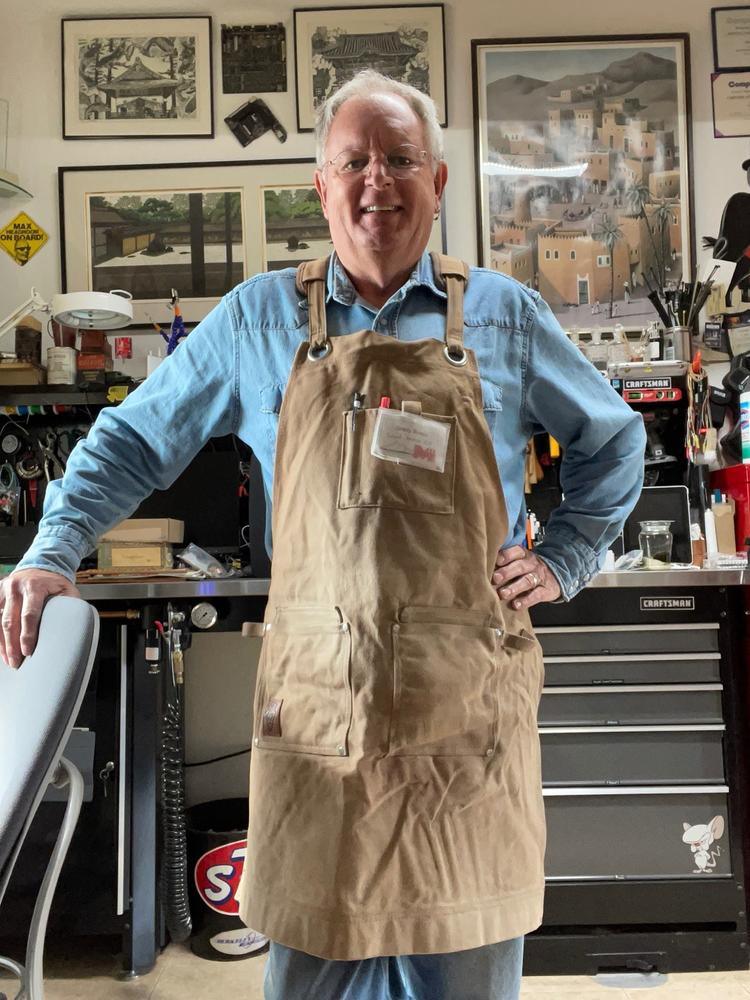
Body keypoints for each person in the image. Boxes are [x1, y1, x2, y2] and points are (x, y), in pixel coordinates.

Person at [0, 70, 645, 1000]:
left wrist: (564, 558)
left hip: (464, 721)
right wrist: (50, 550)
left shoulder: (505, 314)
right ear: (322, 185)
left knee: (465, 980)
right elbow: (133, 437)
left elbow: (615, 440)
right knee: (308, 980)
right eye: (355, 161)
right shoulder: (258, 318)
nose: (376, 182)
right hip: (316, 725)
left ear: (438, 182)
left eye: (400, 159)